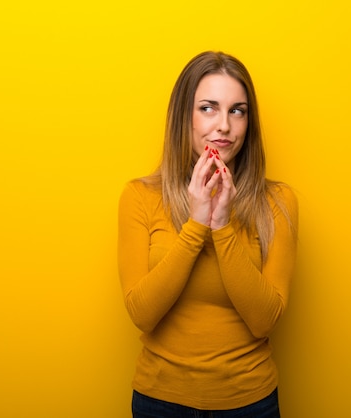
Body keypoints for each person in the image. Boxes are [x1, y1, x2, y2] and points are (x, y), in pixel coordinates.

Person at [117, 51, 298, 418]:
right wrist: (196, 225)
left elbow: (265, 320)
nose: (224, 127)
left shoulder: (278, 202)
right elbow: (142, 313)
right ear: (183, 116)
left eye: (237, 110)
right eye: (208, 108)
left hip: (250, 403)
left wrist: (222, 225)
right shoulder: (139, 197)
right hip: (159, 401)